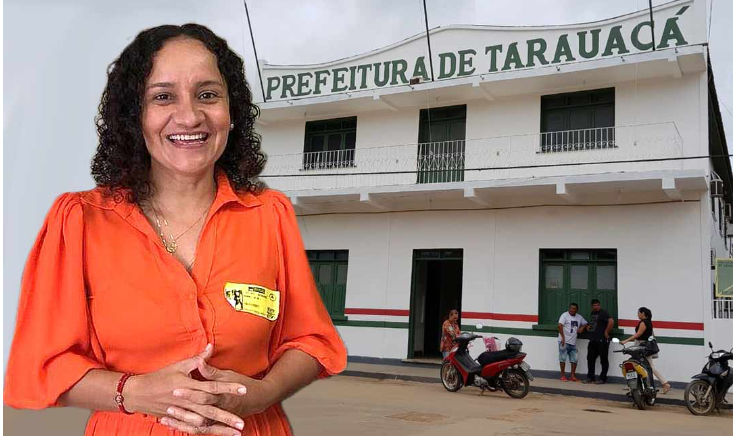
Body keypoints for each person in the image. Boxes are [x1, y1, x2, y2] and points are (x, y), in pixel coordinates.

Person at [4, 24, 347, 436]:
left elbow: (310, 341)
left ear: (232, 111)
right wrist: (133, 392)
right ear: (135, 116)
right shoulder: (80, 220)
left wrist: (262, 393)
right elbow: (43, 366)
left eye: (208, 95)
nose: (189, 116)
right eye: (163, 96)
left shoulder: (268, 214)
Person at [621, 307, 672, 394]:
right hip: (644, 345)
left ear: (643, 313)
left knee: (642, 365)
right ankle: (633, 385)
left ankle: (664, 383)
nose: (637, 314)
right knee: (639, 364)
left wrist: (626, 340)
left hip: (641, 346)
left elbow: (638, 334)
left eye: (639, 312)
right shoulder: (649, 322)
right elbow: (650, 335)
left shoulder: (643, 322)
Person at [582, 299, 614, 384]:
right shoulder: (592, 313)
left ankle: (602, 378)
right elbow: (594, 324)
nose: (596, 307)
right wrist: (589, 327)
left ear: (600, 305)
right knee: (590, 359)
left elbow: (611, 322)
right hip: (593, 340)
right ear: (592, 306)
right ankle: (590, 377)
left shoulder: (604, 313)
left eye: (598, 305)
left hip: (602, 340)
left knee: (603, 360)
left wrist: (606, 332)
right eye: (595, 305)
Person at [558, 303, 588, 382]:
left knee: (574, 359)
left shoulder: (579, 317)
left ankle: (572, 376)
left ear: (577, 310)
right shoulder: (564, 315)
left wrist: (582, 328)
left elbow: (585, 323)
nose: (572, 310)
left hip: (573, 342)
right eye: (571, 308)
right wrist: (563, 337)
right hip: (564, 341)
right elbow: (560, 325)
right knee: (562, 358)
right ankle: (563, 376)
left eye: (574, 308)